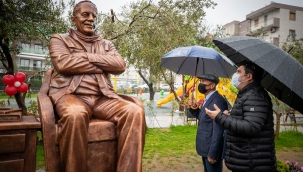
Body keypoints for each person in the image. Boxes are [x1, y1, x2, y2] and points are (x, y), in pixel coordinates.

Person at [48, 1, 146, 172]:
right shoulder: (59, 39)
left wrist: (84, 57)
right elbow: (63, 64)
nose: (91, 19)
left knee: (134, 111)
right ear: (74, 18)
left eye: (94, 16)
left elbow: (120, 65)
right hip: (71, 96)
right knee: (75, 114)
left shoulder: (105, 44)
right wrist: (102, 63)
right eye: (85, 15)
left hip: (102, 98)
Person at [205, 61, 277, 172]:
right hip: (246, 160)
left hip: (252, 163)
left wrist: (220, 117)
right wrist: (229, 116)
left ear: (248, 76)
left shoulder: (255, 96)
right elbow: (246, 118)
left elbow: (252, 127)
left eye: (239, 71)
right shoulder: (247, 93)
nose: (235, 74)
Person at [188, 74, 228, 172]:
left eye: (203, 81)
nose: (200, 84)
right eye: (200, 81)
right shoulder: (208, 99)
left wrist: (213, 153)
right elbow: (204, 118)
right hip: (205, 147)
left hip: (211, 149)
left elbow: (219, 130)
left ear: (212, 85)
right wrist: (193, 108)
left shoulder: (218, 101)